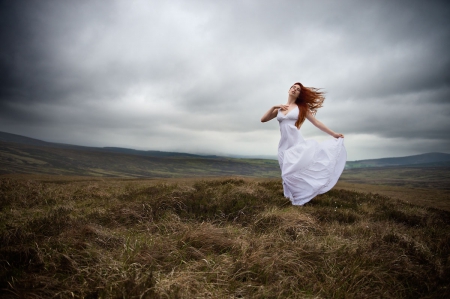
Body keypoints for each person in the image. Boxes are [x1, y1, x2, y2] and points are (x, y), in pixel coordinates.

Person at [261, 82, 347, 205]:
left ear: (299, 94)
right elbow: (263, 120)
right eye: (293, 87)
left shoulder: (301, 108)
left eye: (298, 89)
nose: (295, 90)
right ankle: (289, 199)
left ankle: (300, 198)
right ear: (289, 90)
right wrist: (274, 107)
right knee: (285, 174)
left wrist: (333, 134)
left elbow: (316, 122)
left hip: (296, 144)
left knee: (290, 172)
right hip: (283, 145)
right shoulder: (280, 108)